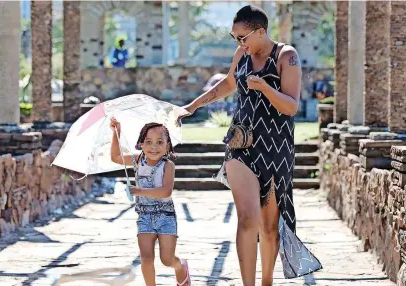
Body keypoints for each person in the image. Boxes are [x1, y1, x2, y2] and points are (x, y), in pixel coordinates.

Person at [180, 5, 319, 285]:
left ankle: (266, 281)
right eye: (235, 38)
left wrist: (266, 88)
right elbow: (228, 84)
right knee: (247, 218)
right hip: (240, 145)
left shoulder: (286, 56)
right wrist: (193, 106)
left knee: (269, 227)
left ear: (260, 32)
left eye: (242, 37)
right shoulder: (241, 54)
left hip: (275, 149)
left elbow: (292, 106)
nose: (239, 43)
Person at [109, 118, 191, 286]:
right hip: (144, 216)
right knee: (146, 258)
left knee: (167, 259)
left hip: (165, 216)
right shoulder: (137, 160)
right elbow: (115, 157)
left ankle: (180, 266)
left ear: (167, 146)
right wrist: (116, 133)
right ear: (141, 145)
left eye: (160, 142)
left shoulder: (168, 165)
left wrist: (138, 190)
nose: (154, 147)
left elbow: (165, 191)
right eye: (149, 142)